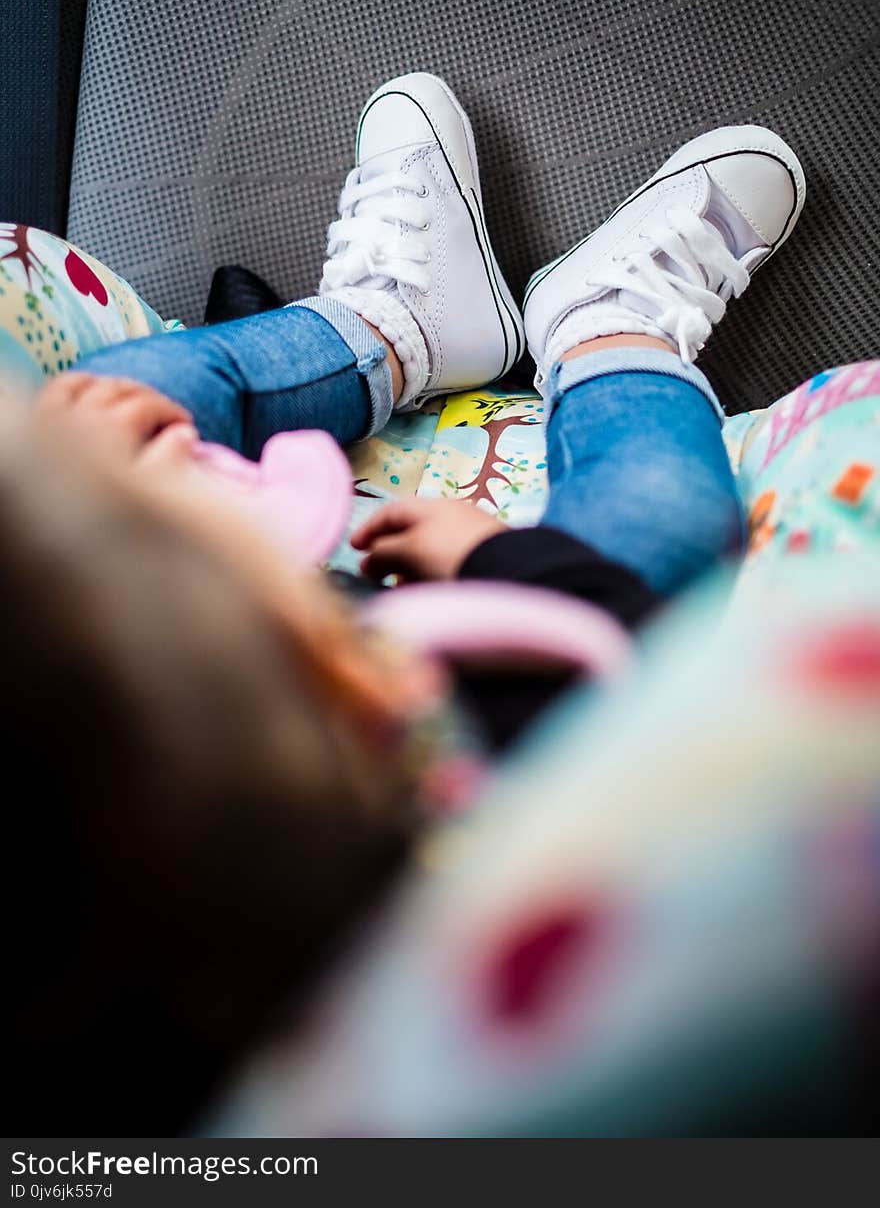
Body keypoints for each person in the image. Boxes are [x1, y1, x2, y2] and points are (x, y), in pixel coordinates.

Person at [7, 73, 805, 1130]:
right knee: (660, 527)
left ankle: (394, 325)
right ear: (340, 664)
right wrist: (498, 564)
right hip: (509, 644)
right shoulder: (474, 767)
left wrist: (92, 468)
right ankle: (613, 329)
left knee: (120, 393)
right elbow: (631, 665)